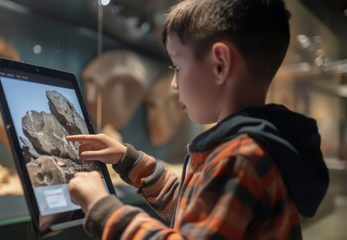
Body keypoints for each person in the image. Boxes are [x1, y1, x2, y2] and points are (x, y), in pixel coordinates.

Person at [67, 0, 329, 239]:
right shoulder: (255, 147)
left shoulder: (239, 157)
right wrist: (129, 160)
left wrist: (103, 209)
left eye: (177, 67)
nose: (173, 84)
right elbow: (193, 205)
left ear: (220, 65)